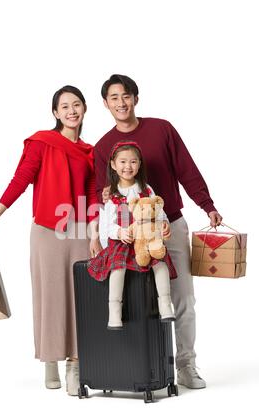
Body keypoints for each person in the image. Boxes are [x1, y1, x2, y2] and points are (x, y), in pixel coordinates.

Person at [94, 74, 223, 389]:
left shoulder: (162, 129)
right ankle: (139, 367)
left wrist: (207, 205)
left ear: (136, 98)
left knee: (182, 299)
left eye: (126, 95)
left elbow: (187, 169)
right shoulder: (102, 147)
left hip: (169, 226)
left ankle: (186, 366)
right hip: (127, 235)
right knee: (132, 298)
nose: (121, 103)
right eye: (114, 97)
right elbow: (104, 198)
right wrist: (96, 237)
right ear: (106, 103)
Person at [0, 85, 102, 395]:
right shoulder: (42, 142)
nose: (71, 111)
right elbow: (21, 179)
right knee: (50, 294)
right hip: (47, 230)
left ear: (85, 109)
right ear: (55, 113)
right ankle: (50, 361)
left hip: (78, 230)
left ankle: (75, 365)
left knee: (79, 296)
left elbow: (91, 193)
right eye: (64, 106)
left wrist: (94, 233)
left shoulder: (89, 152)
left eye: (76, 105)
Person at [88, 141, 177, 329]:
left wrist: (164, 226)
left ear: (139, 164)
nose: (128, 166)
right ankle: (114, 312)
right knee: (117, 270)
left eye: (133, 162)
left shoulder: (147, 190)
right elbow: (106, 226)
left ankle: (165, 305)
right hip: (123, 242)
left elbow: (159, 213)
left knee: (160, 264)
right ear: (113, 164)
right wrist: (119, 232)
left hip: (146, 240)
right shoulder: (111, 195)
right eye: (122, 162)